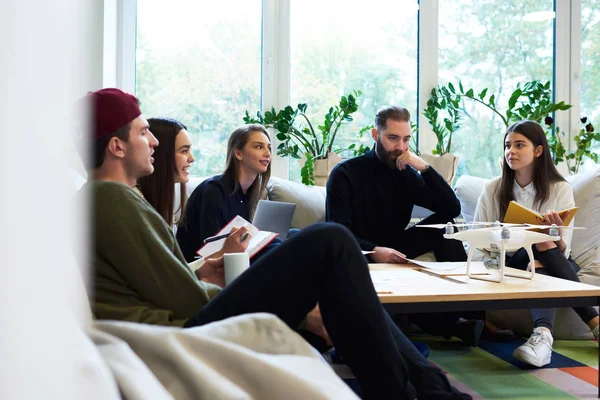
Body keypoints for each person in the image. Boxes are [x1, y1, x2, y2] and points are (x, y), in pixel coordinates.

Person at [76, 88, 471, 399]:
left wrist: (207, 270)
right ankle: (423, 389)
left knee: (316, 251)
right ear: (116, 146)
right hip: (183, 329)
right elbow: (181, 298)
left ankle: (426, 388)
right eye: (144, 132)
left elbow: (157, 280)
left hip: (183, 316)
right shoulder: (111, 199)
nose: (154, 143)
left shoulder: (113, 200)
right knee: (329, 240)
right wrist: (297, 309)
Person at [326, 105, 484, 345]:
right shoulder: (345, 173)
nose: (400, 147)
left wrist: (425, 168)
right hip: (358, 250)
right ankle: (456, 325)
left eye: (406, 139)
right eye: (392, 138)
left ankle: (472, 313)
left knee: (447, 224)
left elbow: (451, 209)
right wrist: (374, 250)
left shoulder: (405, 173)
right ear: (375, 135)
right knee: (345, 242)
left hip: (397, 247)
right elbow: (337, 231)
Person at [473, 119, 599, 367]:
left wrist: (553, 235)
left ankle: (542, 336)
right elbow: (478, 239)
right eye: (508, 145)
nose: (511, 151)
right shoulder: (492, 189)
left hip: (551, 260)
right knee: (539, 247)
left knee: (542, 253)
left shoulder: (560, 188)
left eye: (520, 145)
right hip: (508, 260)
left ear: (538, 151)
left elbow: (564, 249)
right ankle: (594, 321)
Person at [176, 124, 273, 262]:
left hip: (238, 261)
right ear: (238, 153)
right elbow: (210, 252)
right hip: (204, 268)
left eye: (268, 147)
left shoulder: (255, 195)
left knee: (292, 235)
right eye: (259, 146)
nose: (267, 153)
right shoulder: (213, 191)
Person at [137, 117, 194, 226]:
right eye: (184, 151)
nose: (192, 158)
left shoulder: (163, 200)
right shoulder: (139, 204)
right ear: (161, 155)